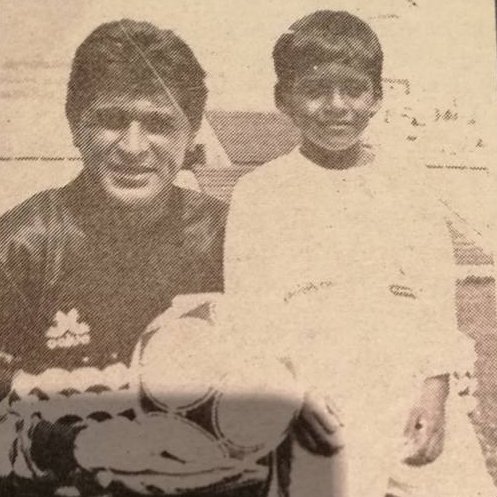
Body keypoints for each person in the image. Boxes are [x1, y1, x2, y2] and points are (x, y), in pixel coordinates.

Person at [224, 10, 495, 497]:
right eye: (315, 90)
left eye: (353, 89)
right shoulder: (260, 193)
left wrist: (434, 396)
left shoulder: (409, 188)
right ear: (283, 98)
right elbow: (251, 319)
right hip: (313, 401)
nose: (336, 106)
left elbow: (437, 305)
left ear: (378, 96)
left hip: (406, 397)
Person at [0, 19, 235, 497]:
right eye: (111, 120)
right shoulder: (23, 243)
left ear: (191, 134)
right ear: (75, 127)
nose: (133, 146)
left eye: (159, 124)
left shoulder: (228, 235)